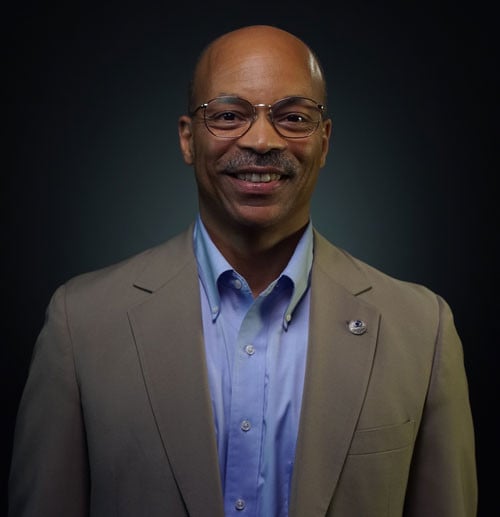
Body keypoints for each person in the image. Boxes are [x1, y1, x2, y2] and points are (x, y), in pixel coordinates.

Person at [8, 24, 477, 517]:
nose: (259, 139)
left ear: (325, 140)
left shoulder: (422, 331)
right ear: (188, 140)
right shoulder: (80, 324)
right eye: (229, 115)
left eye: (293, 116)